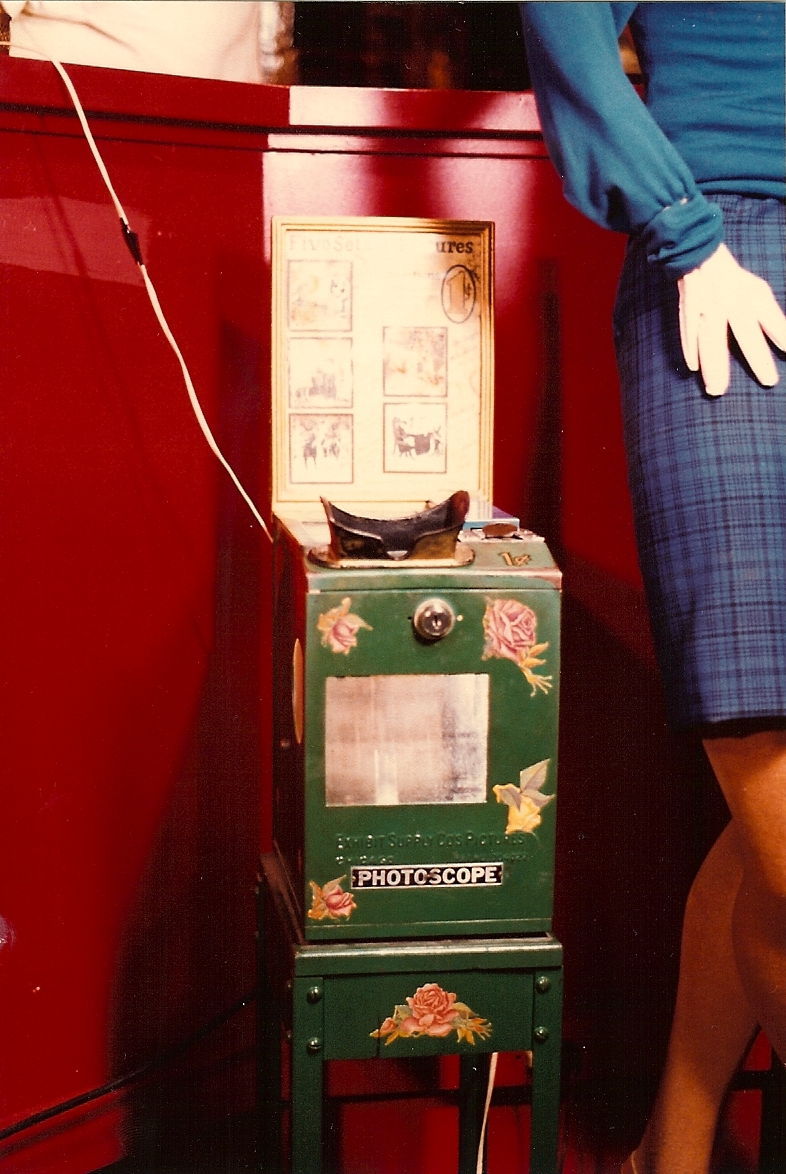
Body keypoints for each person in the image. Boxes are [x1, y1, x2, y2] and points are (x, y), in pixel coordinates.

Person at [520, 4, 786, 1173]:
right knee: (776, 789)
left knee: (766, 826)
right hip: (722, 256)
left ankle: (665, 1158)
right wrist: (685, 233)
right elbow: (562, 24)